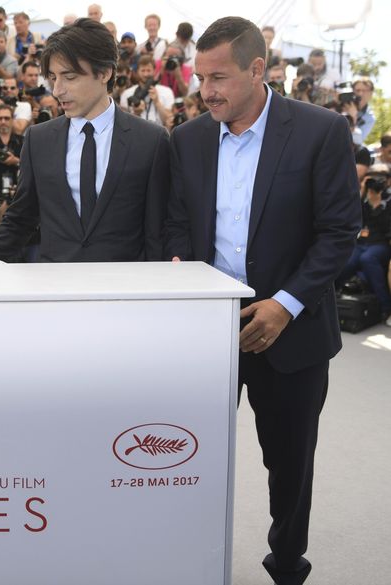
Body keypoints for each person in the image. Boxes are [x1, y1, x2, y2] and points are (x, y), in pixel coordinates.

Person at [163, 17, 361, 585]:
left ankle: (287, 564)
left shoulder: (320, 131)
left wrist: (286, 303)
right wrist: (189, 285)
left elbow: (338, 231)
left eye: (219, 77)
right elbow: (178, 225)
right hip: (206, 333)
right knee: (187, 456)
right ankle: (190, 561)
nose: (207, 92)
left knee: (290, 465)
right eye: (200, 79)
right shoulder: (188, 138)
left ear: (257, 69)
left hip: (292, 334)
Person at [0, 18, 169, 263]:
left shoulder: (151, 140)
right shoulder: (38, 139)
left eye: (69, 77)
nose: (57, 90)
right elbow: (21, 218)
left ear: (104, 72)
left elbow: (158, 229)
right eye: (52, 77)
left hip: (125, 290)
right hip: (56, 289)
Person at [335, 165, 391, 319]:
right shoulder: (363, 198)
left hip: (381, 243)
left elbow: (386, 228)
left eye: (379, 178)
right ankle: (336, 301)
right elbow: (352, 219)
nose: (374, 182)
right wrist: (362, 192)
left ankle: (385, 307)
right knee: (347, 262)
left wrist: (378, 206)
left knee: (368, 259)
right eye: (371, 178)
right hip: (362, 242)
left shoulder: (388, 199)